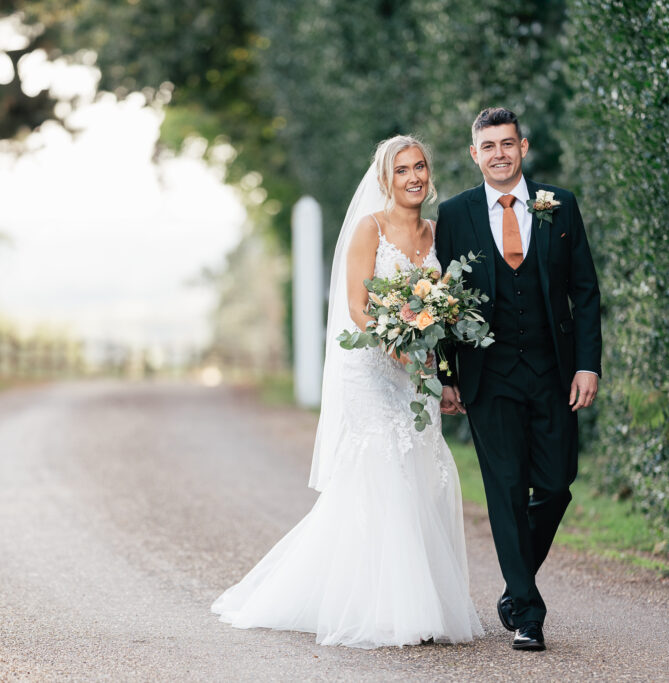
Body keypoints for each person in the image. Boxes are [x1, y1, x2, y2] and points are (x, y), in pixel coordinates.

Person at [211, 135, 483, 648]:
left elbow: (441, 315)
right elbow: (358, 307)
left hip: (419, 371)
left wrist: (438, 372)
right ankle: (385, 606)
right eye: (402, 170)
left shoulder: (436, 233)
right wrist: (397, 347)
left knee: (421, 469)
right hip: (372, 370)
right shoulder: (369, 229)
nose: (413, 177)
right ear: (385, 179)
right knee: (382, 467)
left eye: (419, 167)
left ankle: (415, 597)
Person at [434, 107, 602, 651]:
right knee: (505, 490)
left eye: (508, 144)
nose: (499, 154)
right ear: (474, 154)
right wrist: (445, 375)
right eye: (489, 146)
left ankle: (515, 582)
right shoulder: (454, 214)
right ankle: (527, 612)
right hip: (488, 376)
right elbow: (434, 302)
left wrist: (587, 363)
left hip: (554, 372)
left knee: (555, 484)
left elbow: (585, 291)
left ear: (523, 147)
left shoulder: (560, 205)